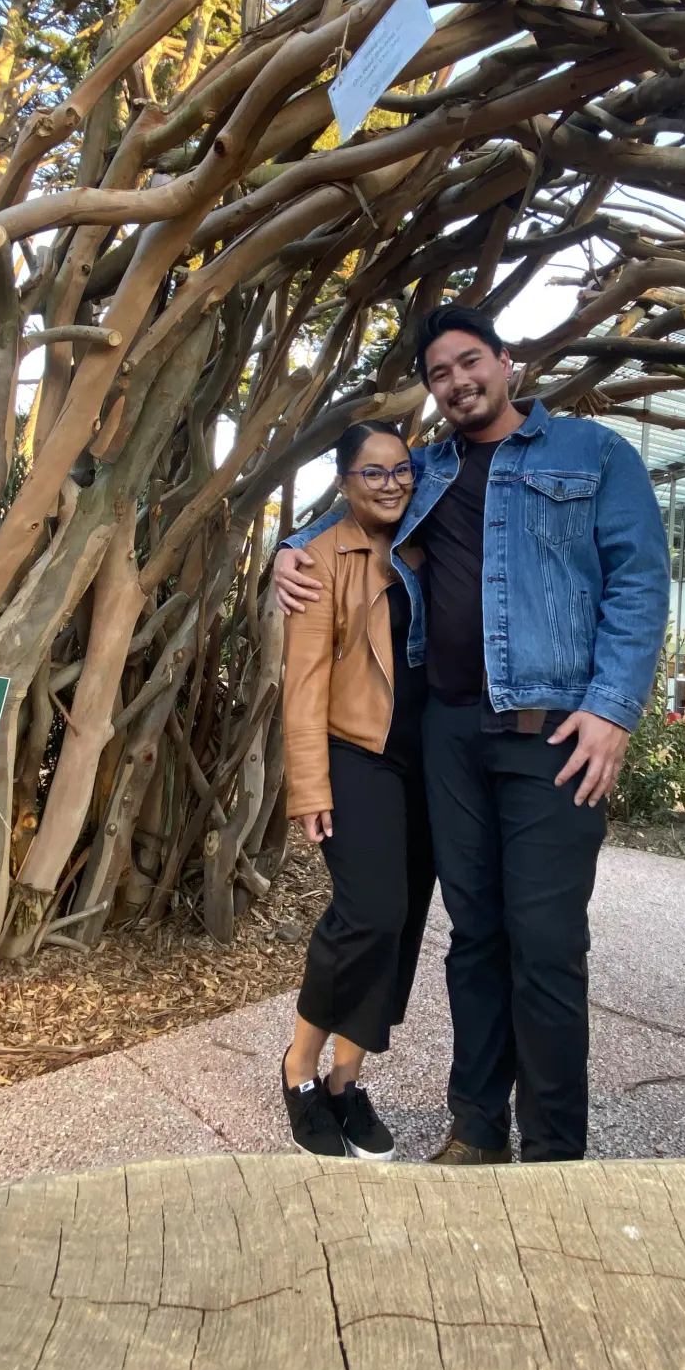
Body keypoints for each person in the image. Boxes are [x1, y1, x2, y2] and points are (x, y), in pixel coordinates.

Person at [275, 306, 669, 1164]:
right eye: (439, 374)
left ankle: (554, 1150)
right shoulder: (428, 467)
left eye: (468, 362)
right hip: (450, 737)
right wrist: (290, 546)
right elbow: (359, 503)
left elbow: (639, 582)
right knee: (475, 939)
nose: (456, 382)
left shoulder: (595, 455)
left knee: (547, 943)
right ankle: (478, 1129)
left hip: (553, 735)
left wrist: (613, 709)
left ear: (506, 361)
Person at [279, 420, 433, 1160]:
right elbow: (304, 682)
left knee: (399, 926)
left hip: (428, 762)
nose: (391, 484)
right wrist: (310, 785)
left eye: (401, 469)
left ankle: (346, 1081)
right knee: (368, 913)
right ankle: (299, 1069)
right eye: (372, 473)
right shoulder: (317, 559)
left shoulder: (426, 539)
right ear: (344, 482)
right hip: (355, 754)